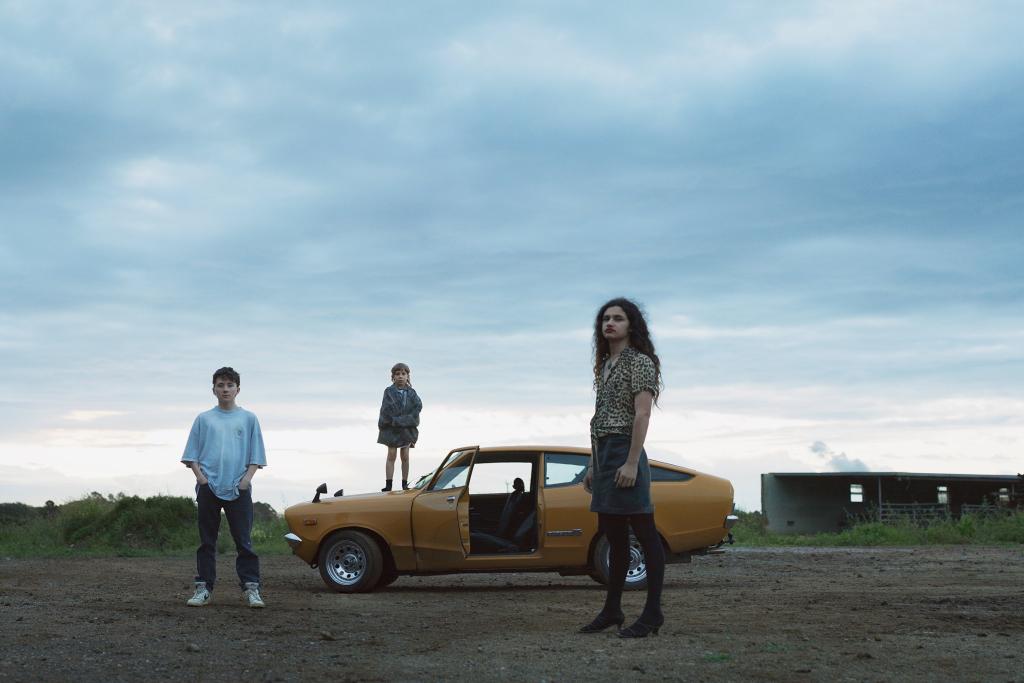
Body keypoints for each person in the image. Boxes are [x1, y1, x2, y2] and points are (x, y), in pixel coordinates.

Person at [580, 297, 664, 638]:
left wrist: (631, 462)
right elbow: (600, 417)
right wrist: (592, 463)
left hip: (625, 450)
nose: (610, 323)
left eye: (618, 318)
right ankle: (612, 609)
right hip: (603, 453)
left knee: (644, 532)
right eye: (605, 319)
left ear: (631, 325)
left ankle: (653, 614)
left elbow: (642, 414)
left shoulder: (639, 362)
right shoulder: (604, 365)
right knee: (612, 535)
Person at [181, 366, 267, 608]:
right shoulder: (204, 419)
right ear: (214, 390)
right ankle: (203, 589)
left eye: (230, 385)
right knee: (207, 542)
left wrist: (246, 481)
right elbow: (191, 455)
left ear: (238, 389)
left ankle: (252, 589)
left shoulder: (248, 418)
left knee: (244, 542)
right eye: (221, 385)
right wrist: (202, 480)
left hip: (239, 487)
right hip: (209, 486)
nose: (225, 389)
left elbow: (257, 455)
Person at [377, 362, 422, 491]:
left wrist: (405, 420)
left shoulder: (412, 393)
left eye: (403, 374)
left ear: (407, 376)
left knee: (405, 456)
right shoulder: (388, 391)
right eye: (397, 374)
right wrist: (392, 421)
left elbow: (418, 407)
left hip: (406, 429)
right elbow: (385, 409)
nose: (400, 376)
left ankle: (404, 483)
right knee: (391, 454)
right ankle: (388, 484)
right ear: (393, 376)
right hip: (392, 429)